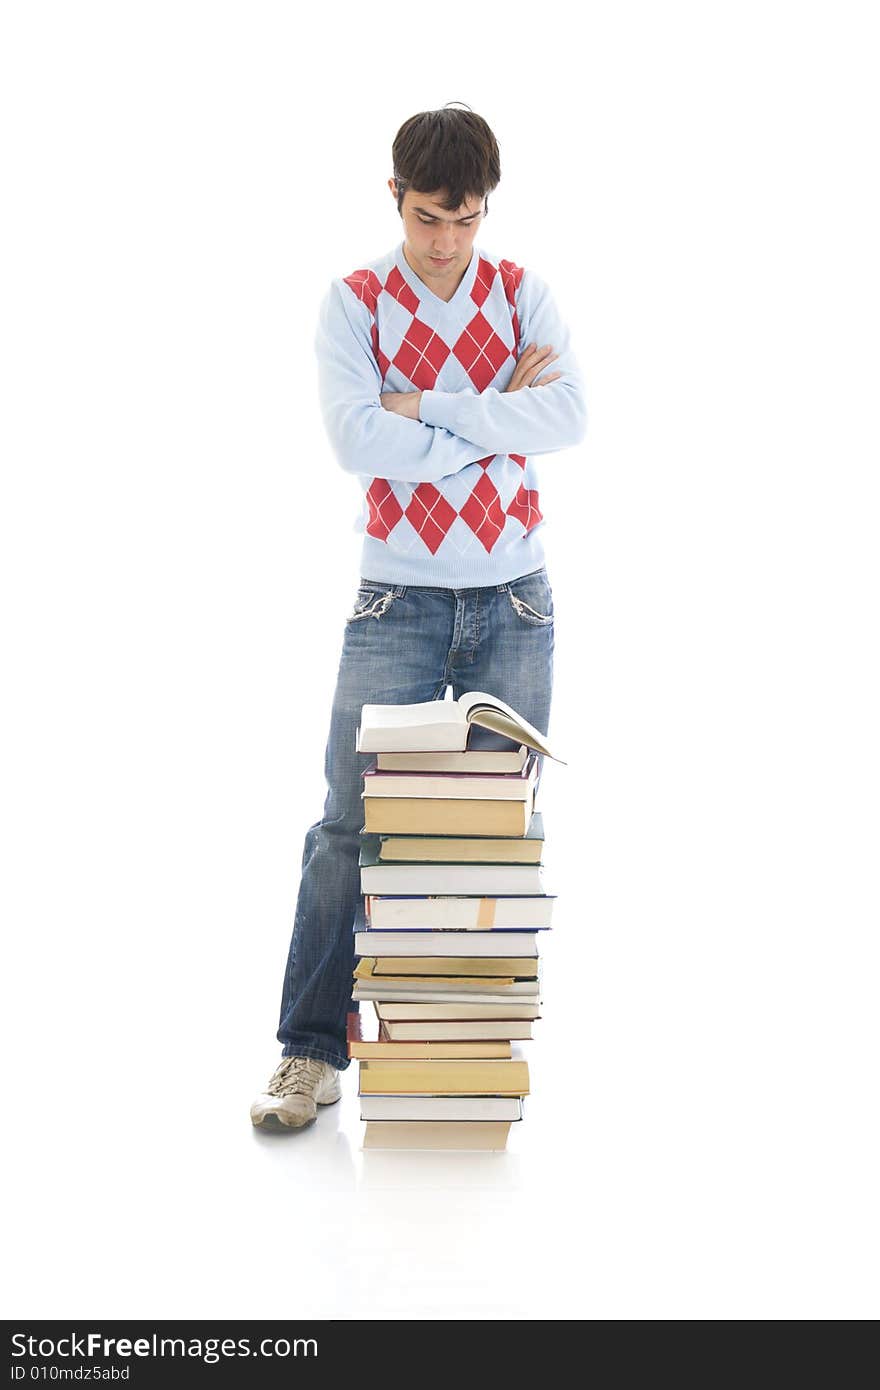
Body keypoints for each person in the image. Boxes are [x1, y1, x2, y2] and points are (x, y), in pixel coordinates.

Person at [250, 104, 587, 1129]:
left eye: (467, 219)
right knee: (349, 826)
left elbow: (568, 415)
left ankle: (462, 1063)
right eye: (430, 216)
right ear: (394, 196)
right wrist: (488, 411)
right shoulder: (354, 304)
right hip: (396, 595)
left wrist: (421, 406)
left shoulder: (522, 291)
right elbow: (359, 444)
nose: (447, 239)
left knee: (492, 835)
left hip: (515, 595)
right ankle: (307, 1055)